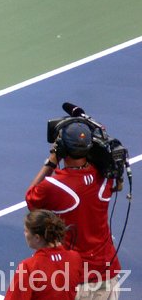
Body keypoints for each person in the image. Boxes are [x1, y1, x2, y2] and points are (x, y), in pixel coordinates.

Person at [25, 122, 122, 300]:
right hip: (107, 273)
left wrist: (52, 161)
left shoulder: (54, 186)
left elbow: (31, 198)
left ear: (62, 149)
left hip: (76, 278)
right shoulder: (106, 179)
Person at [5, 209, 83, 299]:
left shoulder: (28, 267)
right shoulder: (75, 258)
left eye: (26, 231)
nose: (24, 234)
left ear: (37, 237)